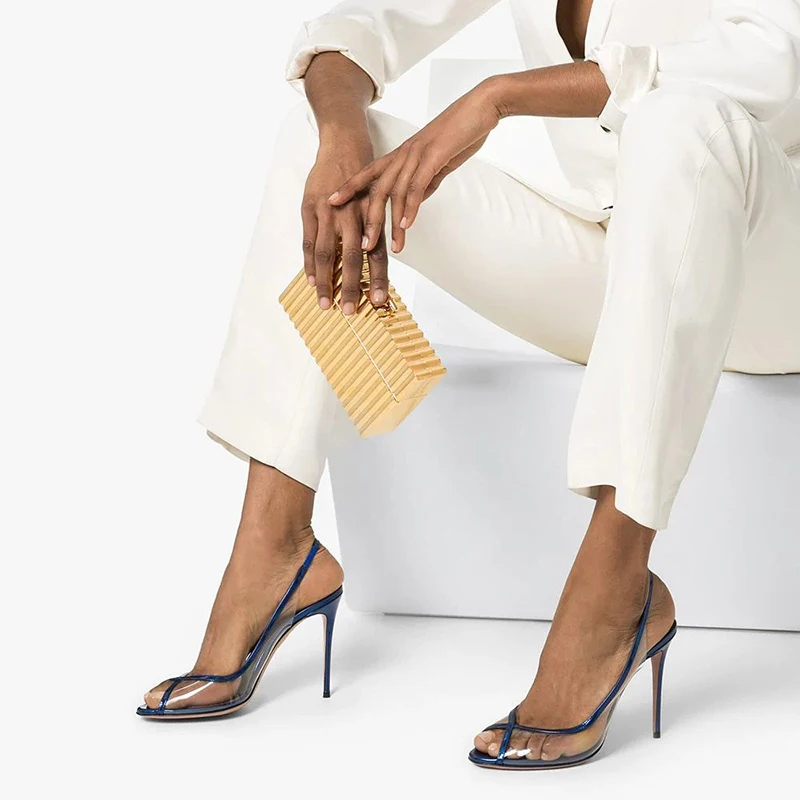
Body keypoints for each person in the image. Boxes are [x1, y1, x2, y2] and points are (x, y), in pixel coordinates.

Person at [138, 0, 800, 769]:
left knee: (683, 120)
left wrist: (499, 96)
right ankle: (276, 550)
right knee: (322, 147)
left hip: (768, 278)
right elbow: (359, 27)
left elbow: (772, 66)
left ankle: (618, 589)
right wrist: (344, 130)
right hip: (618, 257)